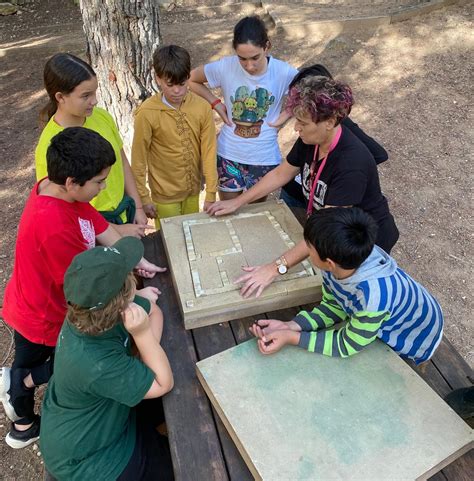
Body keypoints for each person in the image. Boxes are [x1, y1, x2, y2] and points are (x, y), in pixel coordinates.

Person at [0, 128, 164, 449]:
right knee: (37, 367)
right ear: (73, 182)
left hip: (51, 303)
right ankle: (22, 422)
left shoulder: (60, 190)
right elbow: (85, 291)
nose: (103, 187)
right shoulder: (53, 226)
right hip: (40, 315)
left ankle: (22, 396)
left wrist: (137, 261)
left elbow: (100, 227)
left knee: (53, 364)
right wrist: (133, 297)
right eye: (99, 182)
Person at [207, 76, 399, 298]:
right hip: (333, 234)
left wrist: (274, 268)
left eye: (303, 123)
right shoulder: (312, 139)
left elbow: (327, 231)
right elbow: (281, 173)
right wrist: (237, 201)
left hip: (363, 244)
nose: (296, 128)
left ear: (330, 122)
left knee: (354, 300)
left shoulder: (352, 164)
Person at [40, 237, 174, 480]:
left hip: (100, 420)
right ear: (122, 299)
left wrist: (143, 362)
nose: (134, 272)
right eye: (129, 273)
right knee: (172, 468)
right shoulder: (93, 362)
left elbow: (154, 311)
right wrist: (143, 337)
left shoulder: (89, 311)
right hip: (89, 459)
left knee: (163, 436)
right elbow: (163, 383)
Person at [250, 207, 443, 364]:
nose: (305, 250)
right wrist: (291, 326)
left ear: (329, 262)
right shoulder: (342, 263)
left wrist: (292, 338)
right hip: (390, 314)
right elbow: (336, 305)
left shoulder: (372, 301)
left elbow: (345, 345)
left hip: (412, 335)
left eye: (309, 247)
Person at [35, 53, 149, 238]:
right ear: (60, 97)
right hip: (90, 230)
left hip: (124, 212)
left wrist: (137, 206)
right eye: (86, 95)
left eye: (95, 92)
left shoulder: (101, 117)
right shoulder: (49, 146)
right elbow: (60, 206)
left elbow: (122, 162)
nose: (94, 101)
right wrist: (115, 230)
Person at [189, 15, 298, 200]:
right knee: (228, 211)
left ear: (267, 46)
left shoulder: (283, 71)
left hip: (263, 156)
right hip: (228, 153)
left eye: (255, 57)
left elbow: (309, 94)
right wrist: (216, 104)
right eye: (242, 59)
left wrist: (286, 114)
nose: (249, 65)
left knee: (256, 215)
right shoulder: (226, 67)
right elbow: (191, 78)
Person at [278, 64, 389, 208]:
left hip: (318, 200)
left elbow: (379, 155)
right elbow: (284, 171)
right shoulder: (311, 134)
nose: (296, 127)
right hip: (299, 193)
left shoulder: (344, 134)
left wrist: (340, 173)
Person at [131, 45, 218, 229]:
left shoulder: (201, 107)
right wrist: (144, 197)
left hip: (193, 191)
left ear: (188, 77)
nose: (177, 91)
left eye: (182, 84)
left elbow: (209, 151)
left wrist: (211, 192)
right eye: (170, 85)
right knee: (171, 243)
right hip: (164, 196)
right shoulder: (147, 113)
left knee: (192, 235)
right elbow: (138, 159)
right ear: (158, 79)